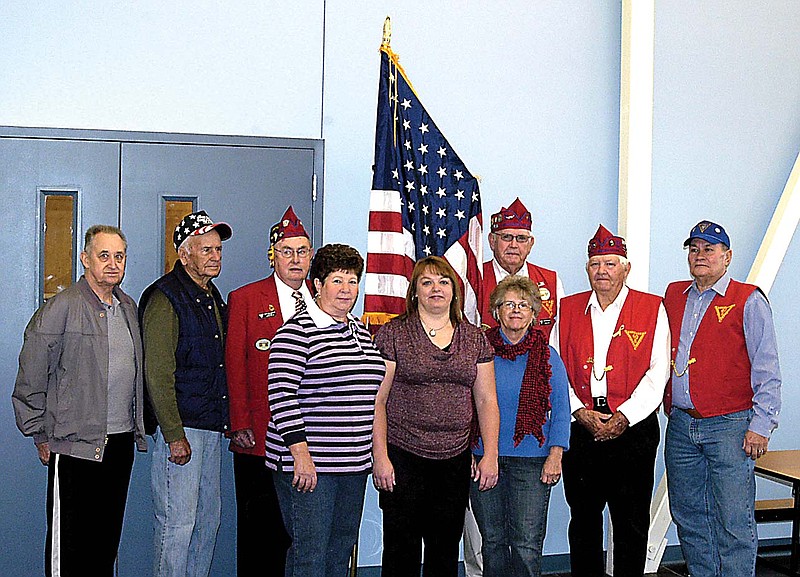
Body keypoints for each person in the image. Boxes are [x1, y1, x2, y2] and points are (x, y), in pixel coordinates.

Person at [12, 225, 147, 577]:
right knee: (69, 552)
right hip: (72, 448)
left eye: (119, 256)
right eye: (104, 255)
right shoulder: (62, 308)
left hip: (119, 446)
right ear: (85, 259)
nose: (113, 264)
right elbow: (31, 373)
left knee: (105, 548)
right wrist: (39, 433)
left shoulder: (128, 308)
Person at [663, 220, 781, 577]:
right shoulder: (672, 295)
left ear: (727, 257)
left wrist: (761, 425)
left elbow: (767, 366)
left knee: (733, 519)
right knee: (689, 516)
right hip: (681, 426)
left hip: (731, 426)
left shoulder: (748, 299)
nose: (701, 256)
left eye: (709, 249)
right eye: (694, 249)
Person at [553, 224, 670, 577]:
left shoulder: (652, 308)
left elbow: (658, 370)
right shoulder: (568, 308)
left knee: (631, 519)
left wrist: (624, 416)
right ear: (587, 268)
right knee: (584, 517)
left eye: (610, 263)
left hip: (633, 430)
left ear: (626, 268)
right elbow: (555, 366)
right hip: (582, 427)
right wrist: (577, 410)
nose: (602, 271)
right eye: (595, 264)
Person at [373, 255, 500, 577]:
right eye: (426, 282)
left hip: (455, 460)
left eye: (443, 282)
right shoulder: (393, 334)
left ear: (455, 291)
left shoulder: (474, 338)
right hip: (403, 455)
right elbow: (379, 401)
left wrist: (490, 455)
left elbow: (486, 400)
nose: (436, 289)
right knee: (401, 549)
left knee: (444, 549)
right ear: (414, 291)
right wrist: (381, 457)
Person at [265, 243, 385, 577]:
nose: (347, 289)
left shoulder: (360, 331)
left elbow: (371, 395)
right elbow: (282, 397)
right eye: (337, 280)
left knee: (341, 548)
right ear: (318, 285)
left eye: (352, 281)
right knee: (310, 553)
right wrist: (301, 457)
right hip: (309, 464)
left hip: (353, 464)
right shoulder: (296, 331)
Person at [140, 210, 232, 577]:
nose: (215, 256)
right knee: (177, 524)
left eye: (218, 249)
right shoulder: (166, 298)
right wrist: (174, 435)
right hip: (182, 430)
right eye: (206, 249)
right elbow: (157, 373)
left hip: (210, 426)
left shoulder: (211, 296)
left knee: (207, 522)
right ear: (184, 254)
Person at [225, 206, 312, 577]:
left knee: (304, 535)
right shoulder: (246, 298)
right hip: (257, 436)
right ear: (272, 255)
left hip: (311, 441)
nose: (295, 259)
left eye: (303, 251)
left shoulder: (325, 300)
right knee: (260, 531)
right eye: (287, 251)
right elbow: (235, 365)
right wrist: (239, 421)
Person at [471, 275, 571, 577]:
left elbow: (563, 410)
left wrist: (556, 455)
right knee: (492, 542)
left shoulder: (548, 356)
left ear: (534, 313)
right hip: (483, 458)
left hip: (532, 461)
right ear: (496, 311)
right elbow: (466, 406)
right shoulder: (479, 353)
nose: (516, 310)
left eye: (524, 305)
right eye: (509, 304)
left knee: (526, 544)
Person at [479, 198, 564, 339]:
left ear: (530, 244)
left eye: (521, 239)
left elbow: (561, 335)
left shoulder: (551, 281)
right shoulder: (475, 278)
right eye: (506, 237)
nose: (513, 245)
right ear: (492, 241)